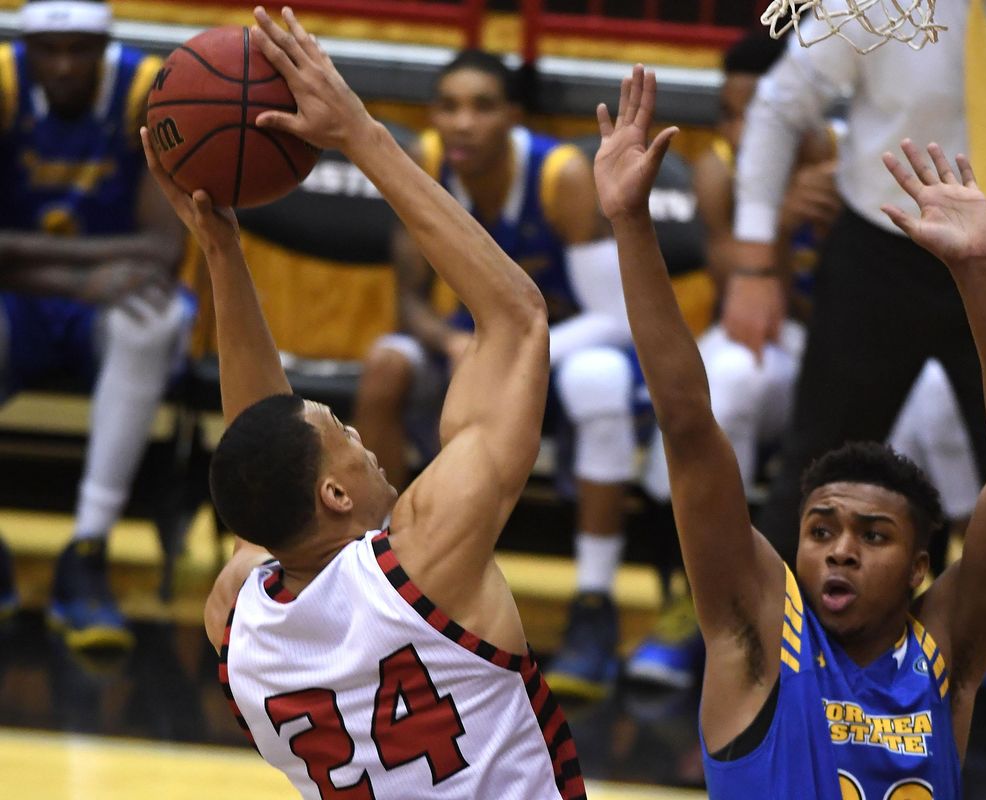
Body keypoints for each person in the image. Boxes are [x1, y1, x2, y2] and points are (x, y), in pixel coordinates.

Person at [595, 63, 986, 798]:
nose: (840, 550)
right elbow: (686, 422)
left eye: (873, 536)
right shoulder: (756, 635)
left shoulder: (945, 650)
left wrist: (976, 274)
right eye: (820, 530)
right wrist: (630, 222)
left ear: (918, 569)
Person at [728, 3, 986, 794]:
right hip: (882, 249)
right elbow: (781, 103)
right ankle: (755, 708)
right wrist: (751, 257)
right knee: (807, 483)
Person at [182, 9, 584, 799]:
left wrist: (223, 251)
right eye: (343, 435)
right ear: (333, 494)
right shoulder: (426, 564)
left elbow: (261, 451)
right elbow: (515, 317)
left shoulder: (237, 621)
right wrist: (361, 134)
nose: (363, 436)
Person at [627, 31, 980, 691]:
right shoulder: (720, 172)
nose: (744, 126)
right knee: (725, 384)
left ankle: (946, 619)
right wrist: (782, 223)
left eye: (756, 109)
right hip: (783, 346)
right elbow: (730, 273)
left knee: (936, 404)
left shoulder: (865, 162)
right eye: (731, 114)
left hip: (863, 357)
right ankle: (689, 602)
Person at [351, 49, 645, 701]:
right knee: (384, 366)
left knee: (599, 379)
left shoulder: (560, 177)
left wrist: (506, 352)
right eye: (449, 106)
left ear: (512, 117)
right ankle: (379, 576)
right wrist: (452, 343)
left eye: (482, 106)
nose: (462, 123)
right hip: (473, 352)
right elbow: (409, 304)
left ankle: (594, 605)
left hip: (571, 350)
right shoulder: (426, 167)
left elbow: (614, 317)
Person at [0, 0, 189, 651]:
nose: (63, 65)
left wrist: (27, 256)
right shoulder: (2, 83)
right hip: (29, 302)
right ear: (25, 49)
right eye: (48, 51)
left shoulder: (147, 90)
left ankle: (87, 551)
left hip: (104, 310)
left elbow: (162, 251)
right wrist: (85, 273)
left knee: (152, 319)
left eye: (80, 49)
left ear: (104, 46)